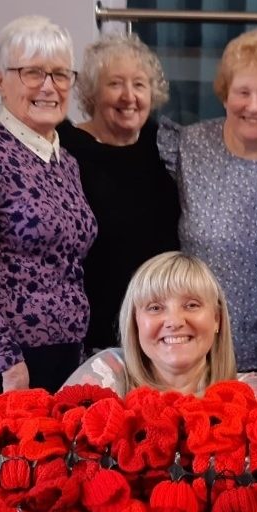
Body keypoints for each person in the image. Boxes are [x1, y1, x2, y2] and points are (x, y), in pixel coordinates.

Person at [0, 15, 96, 400]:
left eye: (60, 74)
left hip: (65, 355)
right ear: (0, 81)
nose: (49, 87)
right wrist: (7, 360)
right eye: (32, 73)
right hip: (5, 362)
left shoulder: (67, 162)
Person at [157, 28, 257, 390]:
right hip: (193, 349)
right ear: (225, 94)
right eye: (243, 92)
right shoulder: (189, 146)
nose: (254, 106)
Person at [57, 32, 180, 352]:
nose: (129, 96)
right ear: (92, 93)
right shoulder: (63, 146)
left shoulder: (164, 143)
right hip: (85, 332)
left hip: (158, 329)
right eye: (115, 84)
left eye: (139, 84)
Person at [63, 252, 257, 398]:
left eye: (191, 305)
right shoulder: (105, 372)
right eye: (155, 308)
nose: (174, 322)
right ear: (135, 322)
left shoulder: (252, 392)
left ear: (216, 318)